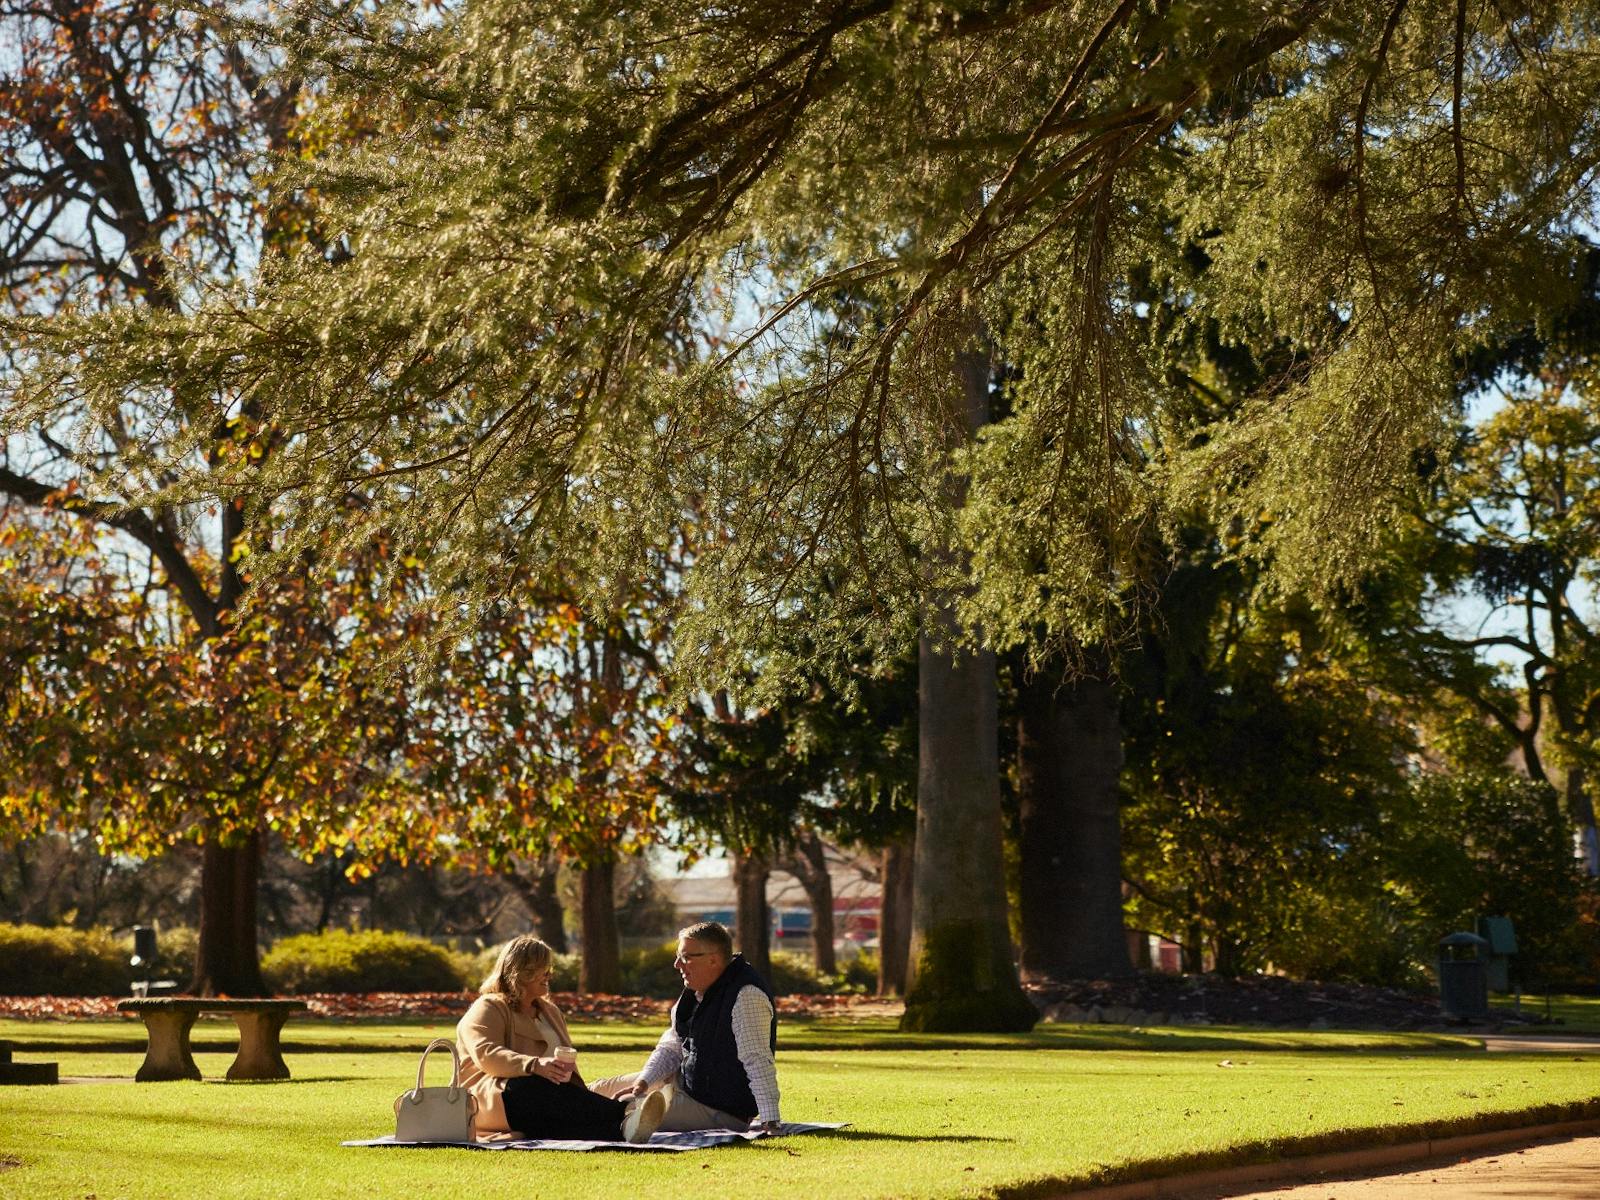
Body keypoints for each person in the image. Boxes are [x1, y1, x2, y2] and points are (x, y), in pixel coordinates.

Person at [456, 934, 665, 1142]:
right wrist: (534, 1065)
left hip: (550, 1100)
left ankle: (623, 1130)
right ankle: (625, 1110)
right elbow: (487, 1054)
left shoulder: (550, 1012)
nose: (549, 974)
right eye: (542, 968)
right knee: (531, 1088)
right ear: (521, 971)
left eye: (549, 967)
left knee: (559, 1118)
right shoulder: (489, 1006)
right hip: (497, 1098)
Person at [591, 921, 782, 1134]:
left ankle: (624, 1121)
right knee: (597, 1091)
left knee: (619, 1108)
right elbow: (672, 1046)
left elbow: (757, 1060)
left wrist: (770, 1122)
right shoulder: (695, 990)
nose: (677, 965)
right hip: (683, 1085)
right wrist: (644, 1082)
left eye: (686, 958)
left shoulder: (745, 995)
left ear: (713, 959)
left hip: (718, 1108)